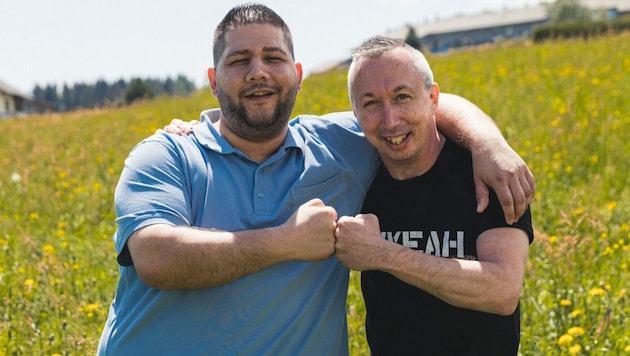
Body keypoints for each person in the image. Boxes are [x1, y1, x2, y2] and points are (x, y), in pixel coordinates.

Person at [98, 4, 534, 355]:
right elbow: (154, 256)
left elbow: (419, 103)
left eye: (273, 58)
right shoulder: (166, 153)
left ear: (298, 76)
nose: (257, 72)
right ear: (213, 82)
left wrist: (487, 142)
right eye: (238, 60)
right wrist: (286, 242)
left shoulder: (341, 144)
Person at [334, 36, 533, 355]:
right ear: (354, 114)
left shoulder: (485, 172)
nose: (390, 120)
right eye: (370, 103)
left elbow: (502, 291)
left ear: (433, 98)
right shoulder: (356, 175)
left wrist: (382, 253)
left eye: (402, 97)